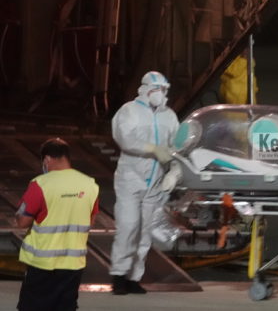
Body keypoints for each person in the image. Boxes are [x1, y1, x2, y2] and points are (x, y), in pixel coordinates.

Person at [109, 71, 182, 295]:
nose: (162, 94)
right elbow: (125, 139)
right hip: (131, 179)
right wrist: (152, 149)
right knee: (128, 227)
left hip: (155, 180)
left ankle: (134, 278)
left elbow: (178, 147)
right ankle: (119, 275)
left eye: (165, 90)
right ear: (147, 90)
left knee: (145, 231)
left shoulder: (169, 116)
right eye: (158, 89)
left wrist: (174, 173)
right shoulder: (129, 111)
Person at [16, 138, 99, 311]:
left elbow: (23, 222)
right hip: (73, 265)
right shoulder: (90, 185)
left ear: (47, 159)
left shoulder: (40, 184)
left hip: (42, 264)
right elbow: (90, 222)